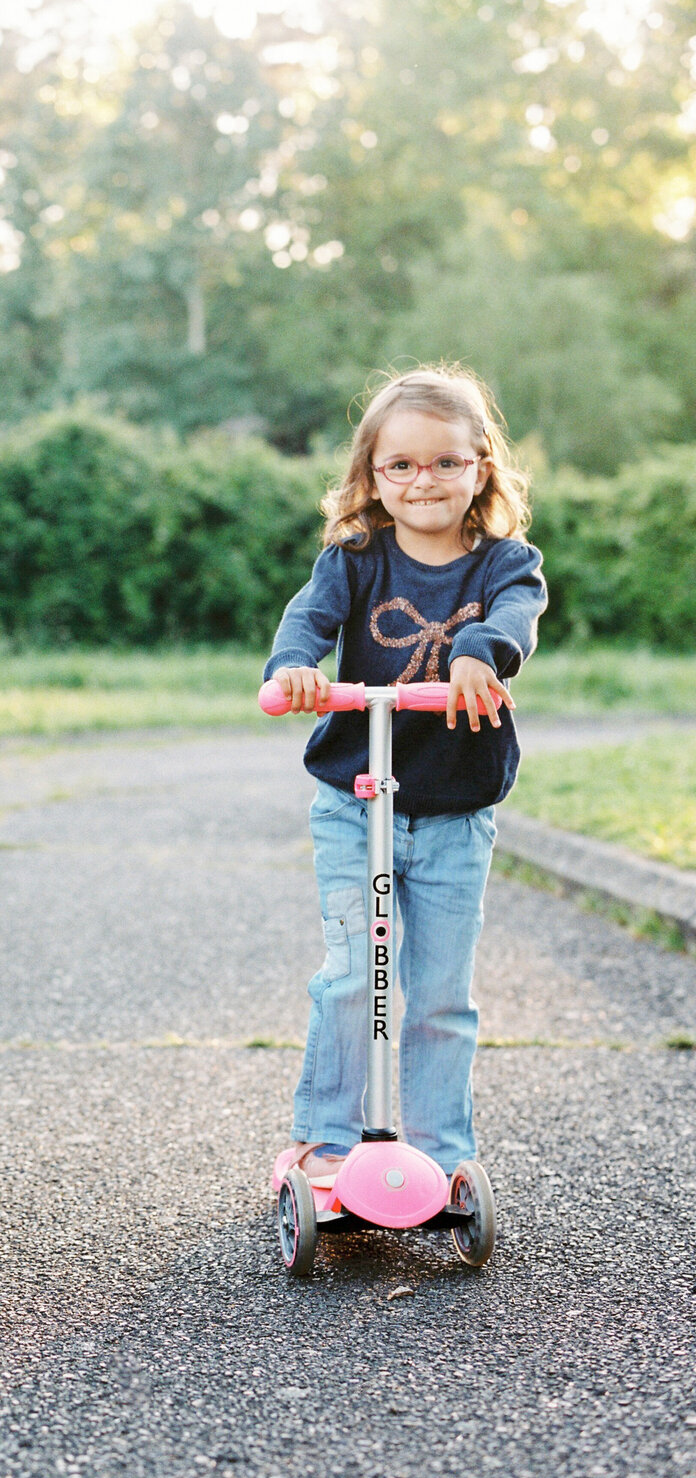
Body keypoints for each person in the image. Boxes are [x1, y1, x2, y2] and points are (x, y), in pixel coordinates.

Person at [263, 365, 547, 1187]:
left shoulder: (505, 564)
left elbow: (513, 621)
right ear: (373, 478)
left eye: (446, 462)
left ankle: (442, 1153)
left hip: (457, 809)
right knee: (356, 976)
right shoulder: (354, 560)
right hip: (354, 803)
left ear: (480, 469)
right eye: (402, 466)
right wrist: (295, 670)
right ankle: (324, 1143)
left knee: (440, 997)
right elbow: (306, 621)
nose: (424, 480)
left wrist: (474, 652)